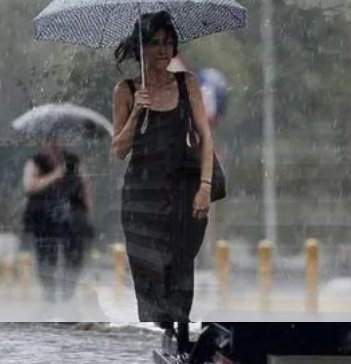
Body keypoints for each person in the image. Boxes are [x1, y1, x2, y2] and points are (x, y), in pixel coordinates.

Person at [110, 10, 215, 327]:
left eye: (168, 43)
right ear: (140, 48)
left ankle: (181, 330)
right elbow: (118, 150)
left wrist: (205, 187)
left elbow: (205, 137)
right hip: (141, 196)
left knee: (181, 269)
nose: (162, 50)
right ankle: (165, 326)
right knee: (151, 270)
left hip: (182, 189)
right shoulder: (126, 91)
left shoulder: (187, 84)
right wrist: (135, 114)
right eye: (155, 43)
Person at [22, 136, 93, 304]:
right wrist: (55, 175)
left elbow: (85, 185)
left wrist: (88, 211)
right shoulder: (35, 162)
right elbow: (30, 186)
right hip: (43, 219)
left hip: (71, 218)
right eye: (48, 140)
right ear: (42, 143)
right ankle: (50, 296)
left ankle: (68, 294)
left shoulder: (73, 161)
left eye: (55, 139)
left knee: (74, 256)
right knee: (46, 257)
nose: (53, 144)